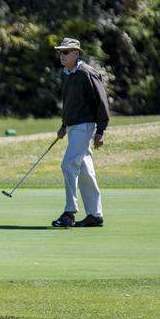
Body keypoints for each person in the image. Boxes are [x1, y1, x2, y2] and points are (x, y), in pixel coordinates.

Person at [51, 38, 110, 228]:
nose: (62, 55)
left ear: (76, 53)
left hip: (85, 125)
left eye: (66, 52)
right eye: (61, 52)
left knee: (68, 164)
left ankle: (69, 212)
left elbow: (101, 101)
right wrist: (64, 125)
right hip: (73, 126)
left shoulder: (86, 73)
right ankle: (95, 214)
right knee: (85, 169)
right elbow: (68, 102)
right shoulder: (66, 73)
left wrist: (101, 130)